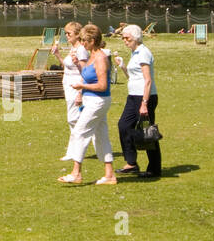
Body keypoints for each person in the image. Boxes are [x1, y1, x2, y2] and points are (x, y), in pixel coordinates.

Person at [60, 23, 116, 185]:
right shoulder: (92, 55)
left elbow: (103, 85)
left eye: (85, 40)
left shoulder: (101, 58)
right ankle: (109, 175)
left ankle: (76, 172)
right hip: (91, 100)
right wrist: (78, 63)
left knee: (80, 131)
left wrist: (82, 86)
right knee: (101, 135)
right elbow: (87, 73)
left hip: (98, 101)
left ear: (93, 40)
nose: (83, 43)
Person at [115, 25, 160, 177]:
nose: (124, 41)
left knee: (147, 132)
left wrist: (144, 104)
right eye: (123, 38)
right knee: (123, 125)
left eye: (126, 38)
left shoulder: (143, 53)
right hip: (133, 96)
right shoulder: (134, 53)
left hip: (145, 97)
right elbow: (133, 77)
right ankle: (131, 162)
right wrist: (122, 66)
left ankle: (154, 169)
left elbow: (147, 80)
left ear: (135, 37)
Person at [50, 21, 84, 161]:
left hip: (75, 87)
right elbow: (68, 67)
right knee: (73, 119)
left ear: (77, 35)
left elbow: (84, 71)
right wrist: (58, 55)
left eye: (69, 33)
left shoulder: (81, 50)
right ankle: (74, 150)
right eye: (66, 33)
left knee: (73, 119)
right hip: (68, 86)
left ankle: (74, 151)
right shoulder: (73, 48)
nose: (67, 36)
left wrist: (80, 92)